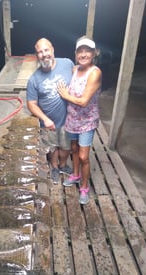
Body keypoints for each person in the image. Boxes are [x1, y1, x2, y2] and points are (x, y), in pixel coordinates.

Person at [57, 36, 102, 204]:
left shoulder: (95, 72)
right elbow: (59, 64)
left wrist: (65, 95)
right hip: (72, 119)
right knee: (74, 149)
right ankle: (75, 175)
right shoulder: (75, 69)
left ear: (94, 53)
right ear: (76, 54)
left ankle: (84, 187)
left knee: (84, 156)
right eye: (80, 51)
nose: (83, 54)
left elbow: (83, 101)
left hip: (87, 121)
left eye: (87, 51)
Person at [27, 38, 74, 184]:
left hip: (69, 118)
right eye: (40, 52)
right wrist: (45, 119)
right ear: (37, 55)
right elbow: (31, 104)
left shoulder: (67, 63)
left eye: (46, 50)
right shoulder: (34, 79)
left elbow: (78, 78)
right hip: (49, 121)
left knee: (66, 146)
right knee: (53, 147)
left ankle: (63, 165)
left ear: (52, 50)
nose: (44, 54)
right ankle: (54, 167)